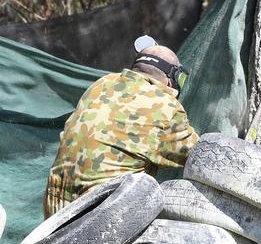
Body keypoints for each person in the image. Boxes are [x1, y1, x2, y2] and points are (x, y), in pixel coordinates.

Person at [44, 45, 199, 218]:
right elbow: (204, 158)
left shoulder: (101, 84)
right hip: (101, 213)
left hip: (55, 206)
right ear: (172, 79)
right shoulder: (165, 107)